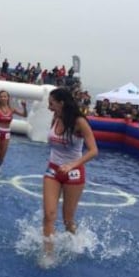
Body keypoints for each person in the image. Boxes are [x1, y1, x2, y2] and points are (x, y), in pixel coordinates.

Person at [43, 87, 98, 256]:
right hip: (53, 170)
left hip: (74, 173)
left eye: (51, 104)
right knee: (49, 215)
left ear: (62, 103)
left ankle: (76, 245)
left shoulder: (79, 122)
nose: (49, 107)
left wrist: (72, 165)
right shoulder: (55, 117)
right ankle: (48, 256)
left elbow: (93, 150)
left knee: (68, 220)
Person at [0, 90, 27, 173]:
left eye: (5, 96)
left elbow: (24, 115)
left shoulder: (12, 109)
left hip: (6, 133)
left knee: (2, 157)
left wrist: (24, 106)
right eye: (1, 97)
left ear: (8, 98)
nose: (3, 98)